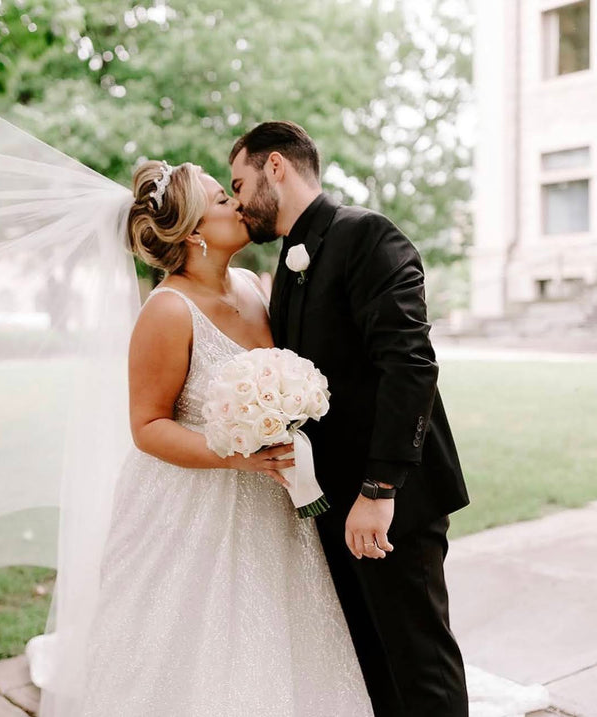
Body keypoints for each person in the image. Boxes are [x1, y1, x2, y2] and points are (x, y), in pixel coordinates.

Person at [76, 160, 373, 716]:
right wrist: (236, 456)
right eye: (220, 199)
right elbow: (146, 426)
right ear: (192, 232)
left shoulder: (250, 286)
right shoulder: (167, 310)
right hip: (191, 506)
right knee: (199, 641)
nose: (238, 204)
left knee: (276, 630)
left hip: (270, 497)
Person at [229, 121, 470, 717]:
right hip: (330, 499)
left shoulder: (368, 236)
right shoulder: (286, 262)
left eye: (239, 183)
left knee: (419, 661)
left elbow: (411, 366)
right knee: (369, 662)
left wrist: (379, 489)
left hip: (389, 500)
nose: (236, 201)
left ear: (276, 167)